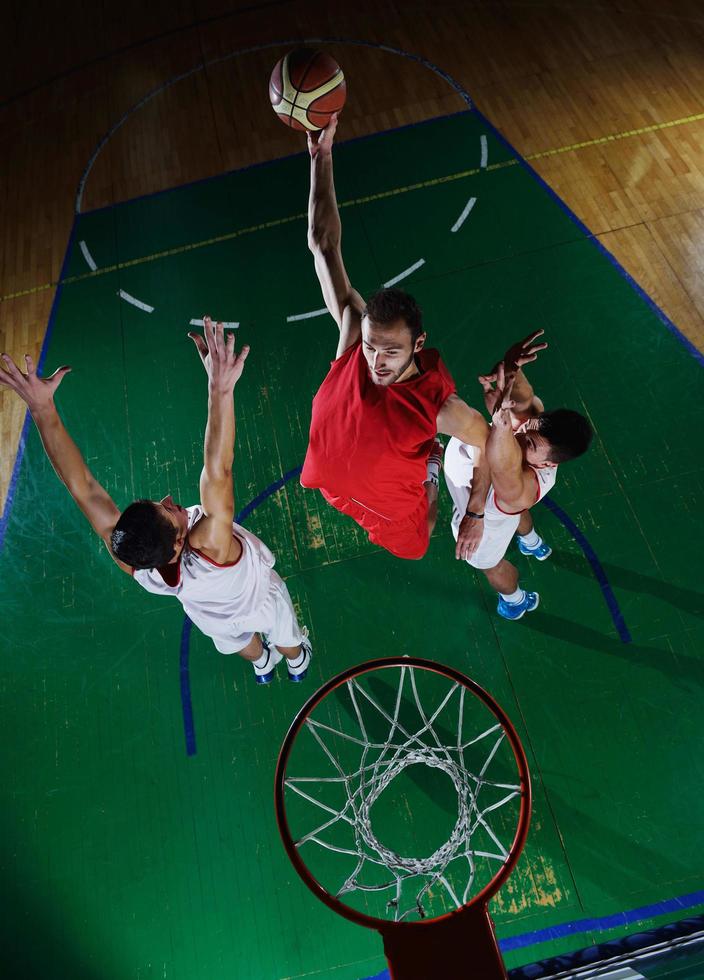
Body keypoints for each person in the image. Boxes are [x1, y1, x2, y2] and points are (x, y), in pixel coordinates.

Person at [0, 317, 311, 683]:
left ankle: (260, 663)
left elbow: (82, 487)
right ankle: (296, 659)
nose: (169, 499)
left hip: (213, 618)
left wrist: (42, 409)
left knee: (237, 641)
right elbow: (218, 469)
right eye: (169, 510)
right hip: (259, 600)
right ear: (181, 541)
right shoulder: (210, 545)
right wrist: (220, 388)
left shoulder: (138, 563)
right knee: (286, 634)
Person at [301, 113, 489, 562]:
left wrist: (477, 513)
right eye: (371, 346)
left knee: (420, 537)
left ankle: (429, 466)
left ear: (417, 346)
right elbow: (322, 242)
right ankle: (423, 461)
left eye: (391, 351)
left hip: (393, 508)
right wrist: (320, 156)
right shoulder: (352, 339)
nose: (376, 361)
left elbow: (487, 441)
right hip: (332, 487)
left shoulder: (440, 408)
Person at [444, 330, 593, 620]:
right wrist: (512, 366)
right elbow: (525, 405)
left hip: (483, 526)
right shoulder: (534, 431)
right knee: (513, 515)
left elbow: (500, 462)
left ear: (549, 464)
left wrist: (501, 422)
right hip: (502, 510)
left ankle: (514, 599)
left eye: (532, 443)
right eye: (530, 428)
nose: (523, 434)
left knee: (491, 565)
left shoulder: (522, 488)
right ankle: (532, 542)